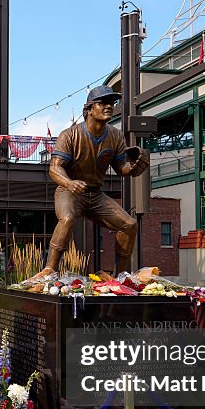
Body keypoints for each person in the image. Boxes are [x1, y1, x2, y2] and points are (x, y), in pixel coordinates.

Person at [27, 85, 150, 281]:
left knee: (129, 224)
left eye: (111, 103)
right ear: (89, 109)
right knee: (67, 218)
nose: (109, 107)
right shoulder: (70, 135)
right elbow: (54, 168)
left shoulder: (115, 135)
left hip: (95, 194)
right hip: (69, 191)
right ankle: (49, 270)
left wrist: (134, 168)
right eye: (103, 103)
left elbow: (122, 168)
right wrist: (69, 183)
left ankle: (121, 277)